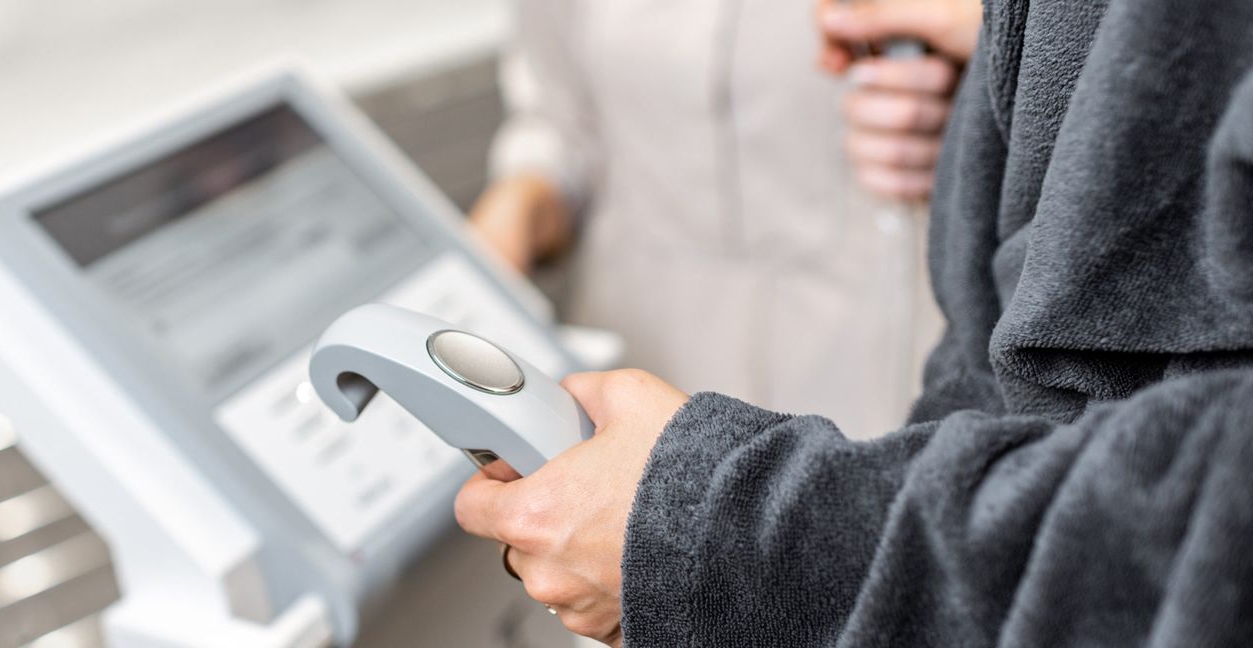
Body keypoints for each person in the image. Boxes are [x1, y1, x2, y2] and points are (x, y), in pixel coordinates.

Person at [455, 0, 1253, 646]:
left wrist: (982, 105)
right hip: (626, 393)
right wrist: (509, 216)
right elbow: (556, 125)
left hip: (859, 410)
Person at [469, 0, 974, 437]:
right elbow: (560, 125)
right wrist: (520, 204)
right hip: (636, 362)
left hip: (865, 369)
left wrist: (979, 114)